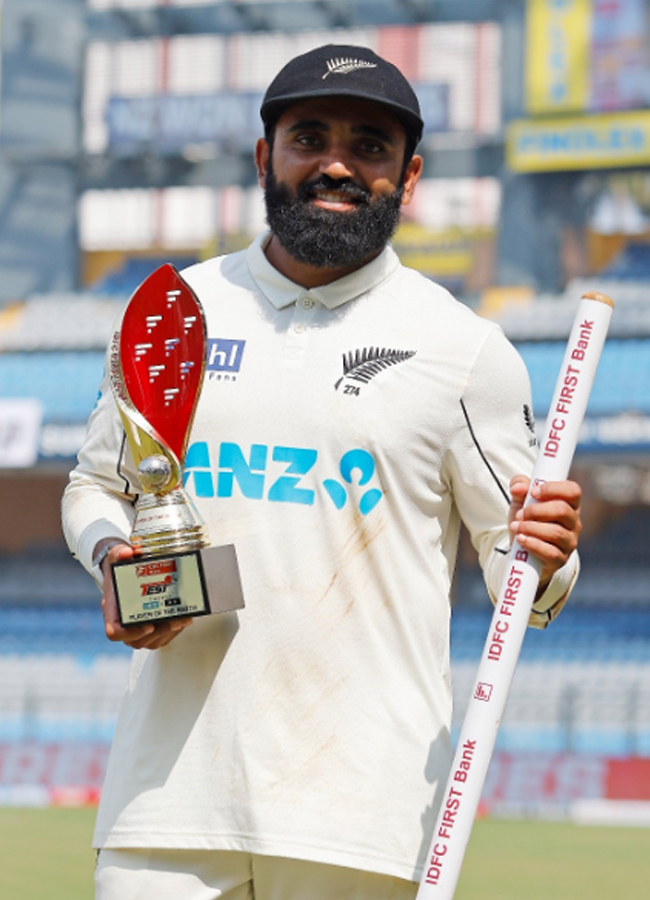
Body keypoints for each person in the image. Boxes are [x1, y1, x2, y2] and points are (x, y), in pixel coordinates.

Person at [62, 44, 582, 900]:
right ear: (266, 158)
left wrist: (549, 555)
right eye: (310, 137)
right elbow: (94, 486)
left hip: (361, 816)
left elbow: (525, 577)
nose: (337, 163)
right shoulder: (174, 309)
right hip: (167, 806)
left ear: (408, 178)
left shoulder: (465, 351)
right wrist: (116, 556)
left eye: (370, 146)